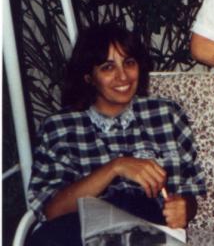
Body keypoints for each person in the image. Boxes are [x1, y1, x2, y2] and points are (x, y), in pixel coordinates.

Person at [27, 24, 205, 246]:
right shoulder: (60, 127)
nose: (123, 77)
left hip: (146, 231)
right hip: (81, 231)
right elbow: (52, 210)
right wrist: (115, 167)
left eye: (129, 63)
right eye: (108, 67)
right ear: (88, 77)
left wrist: (184, 208)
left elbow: (189, 192)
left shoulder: (166, 114)